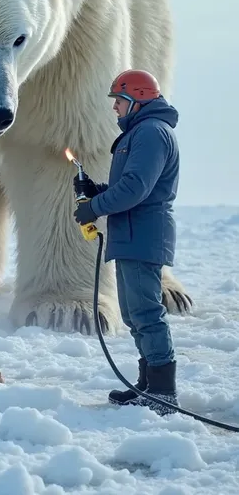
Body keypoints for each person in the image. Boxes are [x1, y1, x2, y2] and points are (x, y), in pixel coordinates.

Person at [73, 69, 180, 416]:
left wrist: (93, 209)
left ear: (137, 99)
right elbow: (132, 187)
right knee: (135, 315)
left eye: (119, 100)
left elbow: (136, 190)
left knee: (147, 315)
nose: (114, 107)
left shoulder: (151, 133)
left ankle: (164, 392)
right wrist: (97, 192)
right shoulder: (142, 132)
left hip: (143, 236)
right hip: (132, 236)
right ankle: (147, 386)